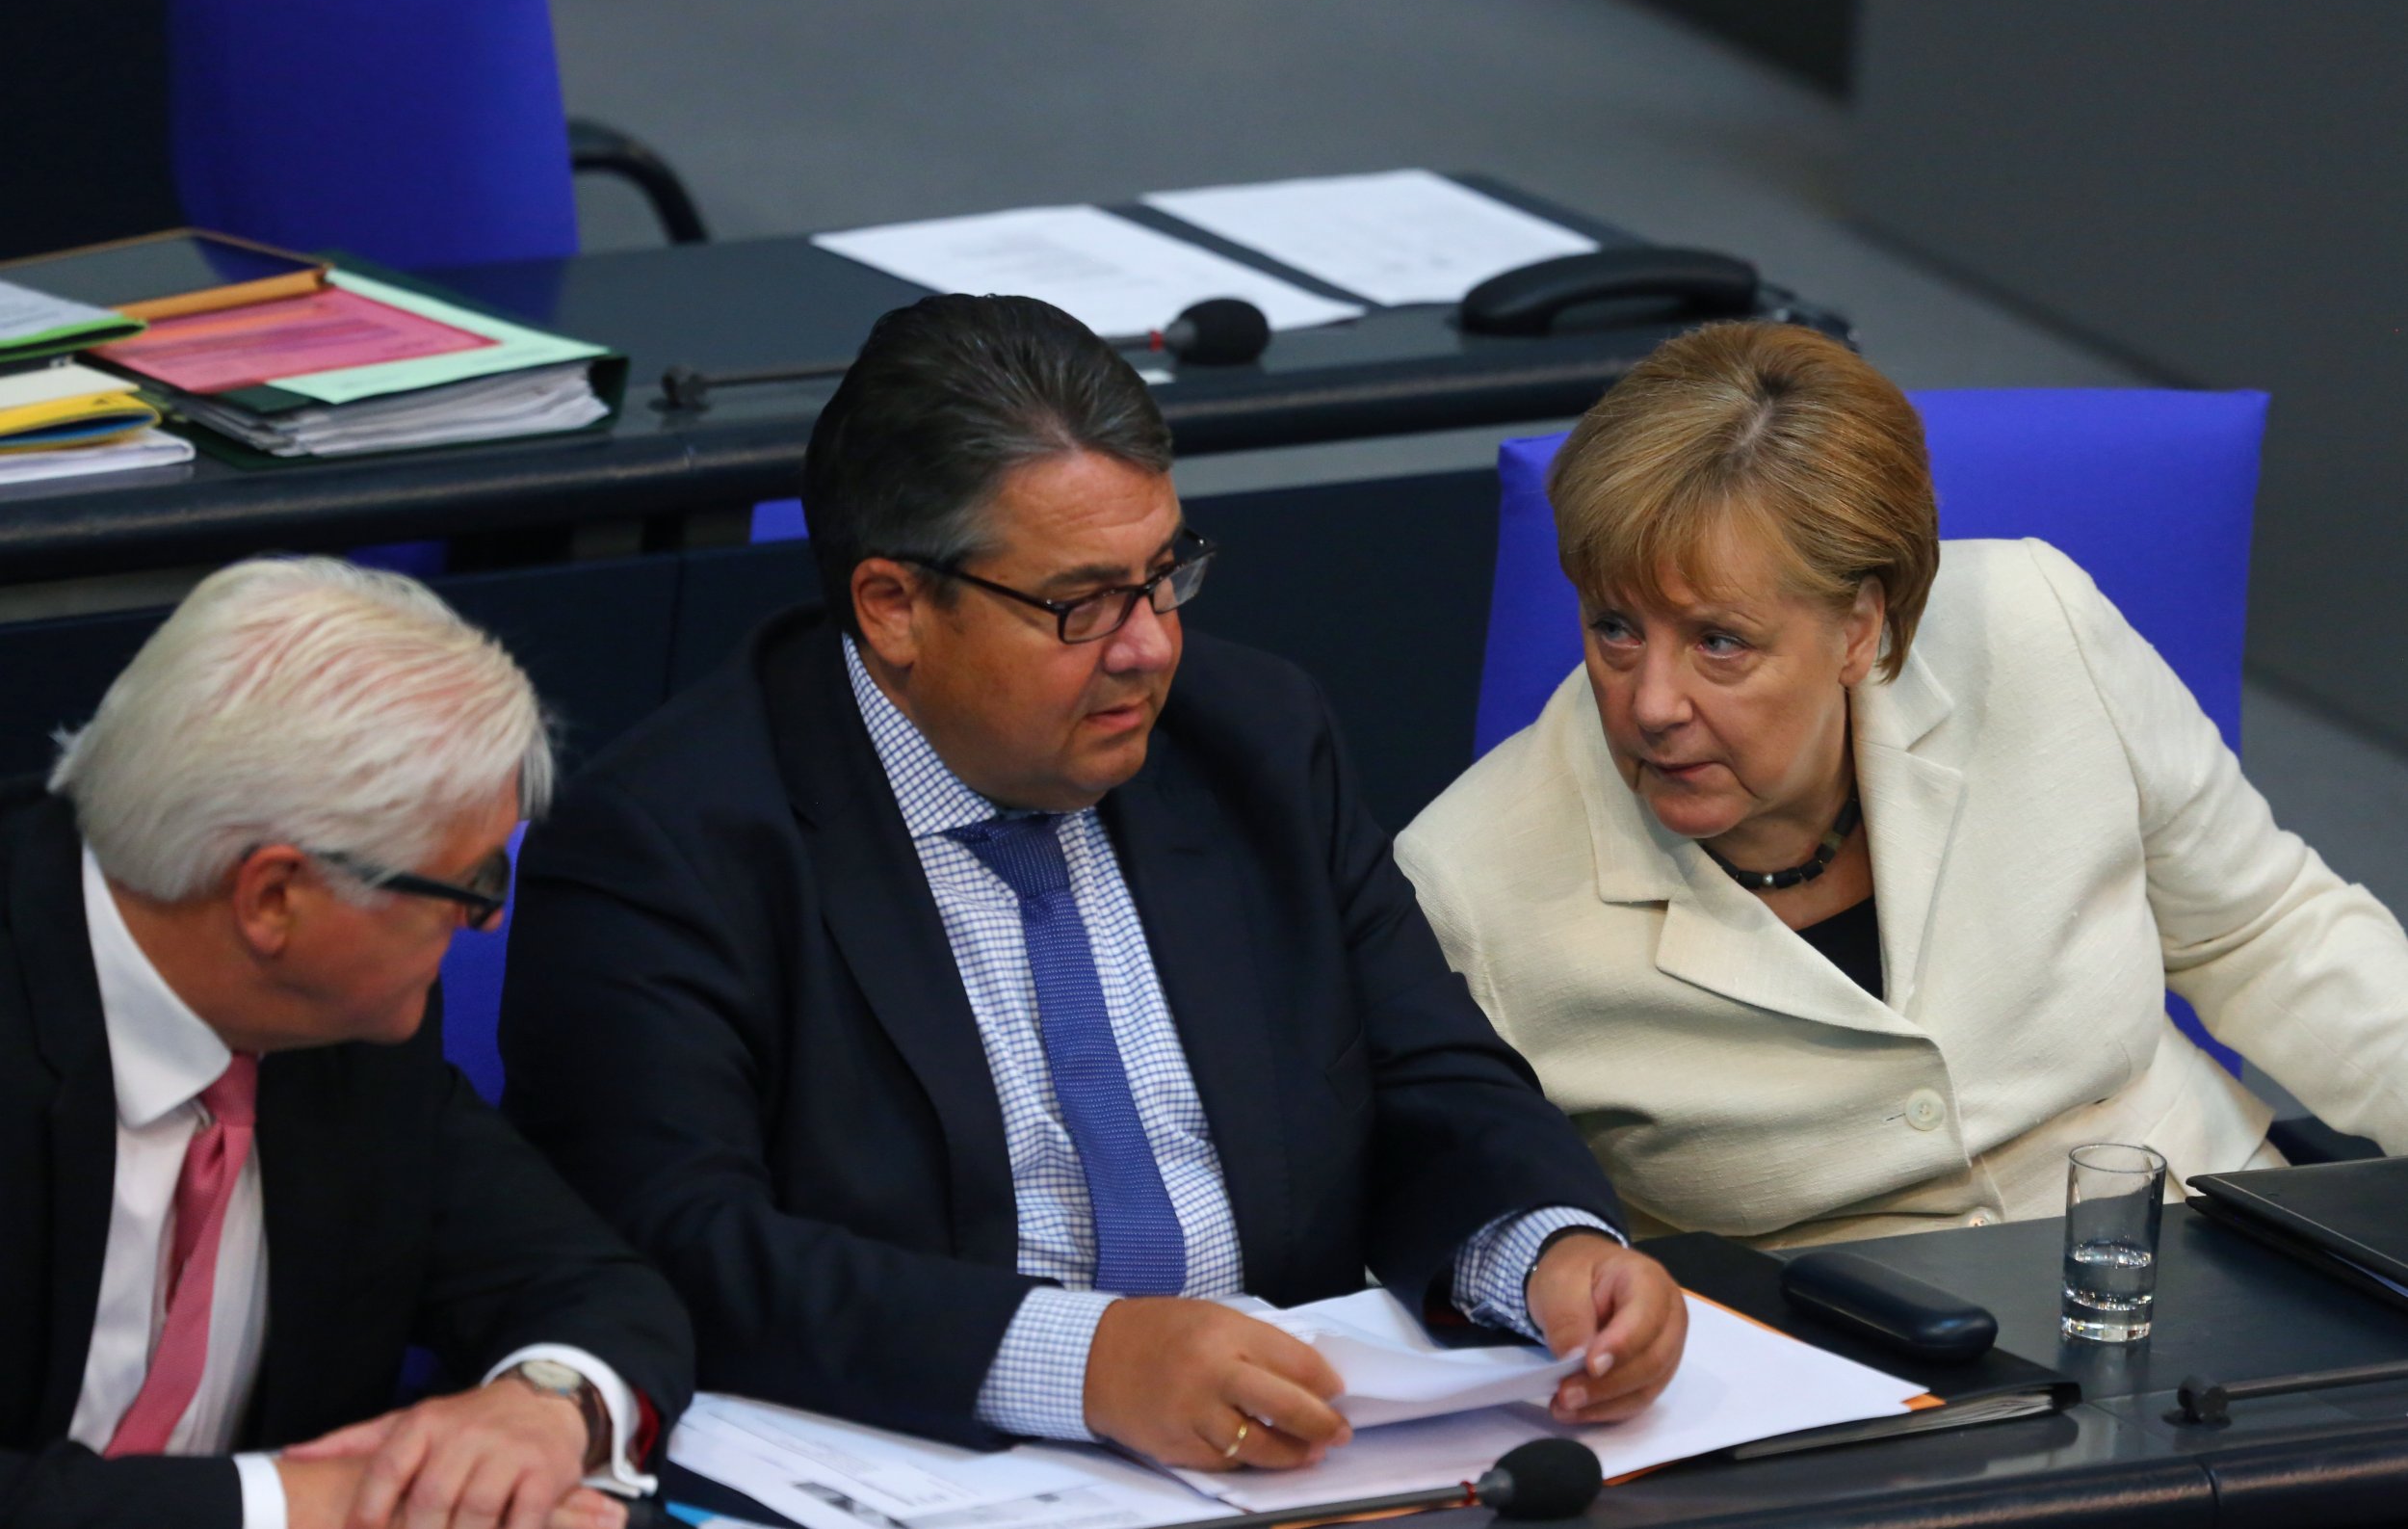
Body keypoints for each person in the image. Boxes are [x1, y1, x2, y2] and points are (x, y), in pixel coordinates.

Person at [500, 293, 1686, 1470]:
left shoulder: (1253, 739)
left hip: (1311, 1462)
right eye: (1081, 602)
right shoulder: (672, 838)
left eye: (1163, 572)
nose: (1149, 644)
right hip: (928, 1470)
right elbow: (677, 1241)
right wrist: (1086, 1360)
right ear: (894, 607)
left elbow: (1427, 1075)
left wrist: (1541, 1252)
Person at [1398, 320, 2408, 1249]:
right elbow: (1470, 1213)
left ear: (1857, 627)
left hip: (2195, 1244)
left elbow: (2264, 930)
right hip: (1837, 1371)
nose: (1651, 701)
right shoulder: (1466, 884)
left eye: (1718, 642)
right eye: (1615, 626)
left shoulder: (2033, 625)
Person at [0, 558, 694, 1529]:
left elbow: (585, 1278)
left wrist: (539, 1405)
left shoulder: (348, 1027)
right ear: (275, 898)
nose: (489, 923)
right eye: (471, 882)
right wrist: (310, 1504)